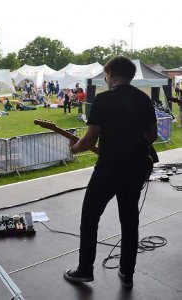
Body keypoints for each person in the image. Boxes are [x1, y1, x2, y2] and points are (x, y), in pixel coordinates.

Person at [64, 56, 158, 289]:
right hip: (135, 168)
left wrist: (74, 147)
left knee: (90, 217)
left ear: (109, 73)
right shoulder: (143, 99)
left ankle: (85, 270)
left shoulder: (103, 99)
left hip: (108, 169)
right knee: (129, 220)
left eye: (105, 75)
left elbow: (90, 139)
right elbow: (153, 135)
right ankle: (127, 273)